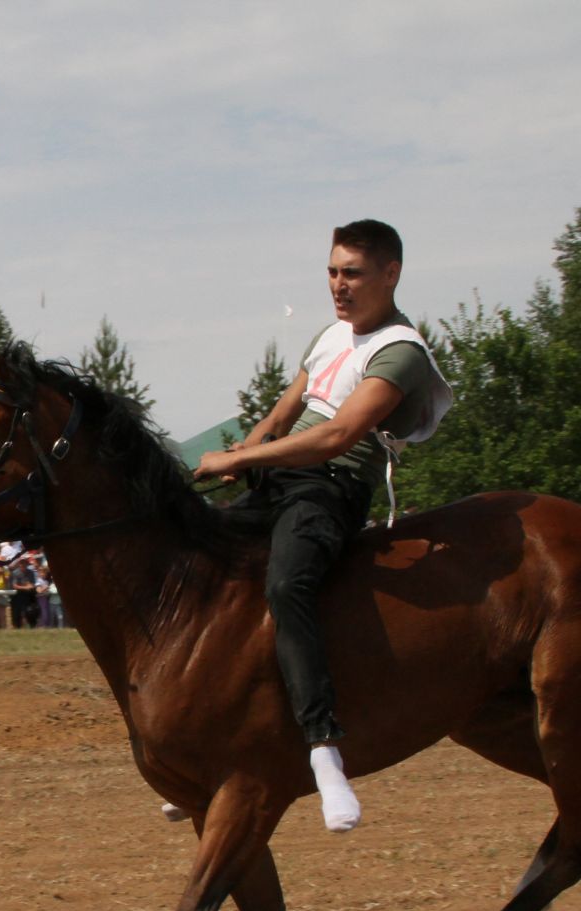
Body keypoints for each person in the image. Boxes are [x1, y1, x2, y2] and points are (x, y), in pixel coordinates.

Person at [194, 219, 452, 834]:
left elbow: (335, 437)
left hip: (331, 489)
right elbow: (282, 415)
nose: (338, 285)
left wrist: (239, 459)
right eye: (333, 271)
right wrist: (240, 463)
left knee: (288, 586)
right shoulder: (329, 336)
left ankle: (323, 747)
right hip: (282, 478)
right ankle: (212, 743)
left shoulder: (401, 352)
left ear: (390, 275)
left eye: (353, 273)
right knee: (201, 563)